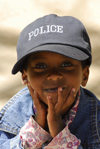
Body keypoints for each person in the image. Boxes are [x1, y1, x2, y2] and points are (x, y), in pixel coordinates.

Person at [0, 14, 100, 149]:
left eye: (66, 65)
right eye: (41, 66)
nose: (53, 75)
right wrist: (36, 131)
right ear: (25, 77)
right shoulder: (11, 117)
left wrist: (61, 135)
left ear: (85, 75)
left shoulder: (96, 119)